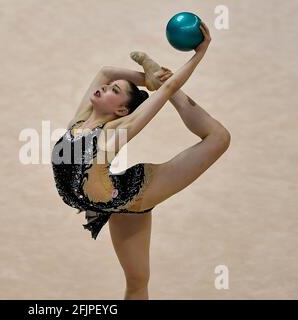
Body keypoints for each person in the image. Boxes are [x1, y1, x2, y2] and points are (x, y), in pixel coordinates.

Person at [51, 21, 230, 299]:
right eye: (108, 87)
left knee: (219, 138)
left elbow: (168, 89)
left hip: (136, 193)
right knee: (137, 280)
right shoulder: (79, 121)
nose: (105, 87)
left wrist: (199, 54)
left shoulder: (114, 134)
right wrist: (145, 79)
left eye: (114, 91)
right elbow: (105, 71)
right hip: (114, 197)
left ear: (122, 109)